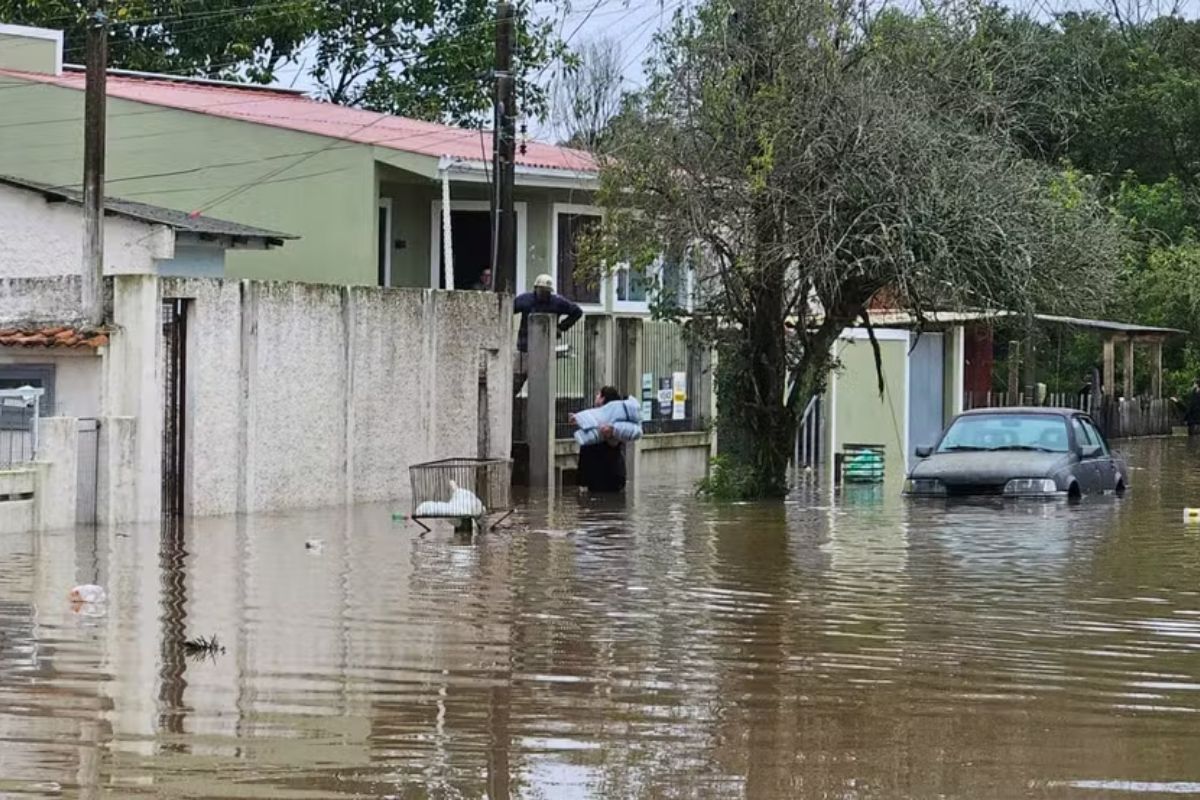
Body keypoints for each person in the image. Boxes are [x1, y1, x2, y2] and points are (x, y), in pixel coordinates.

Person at [512, 273, 583, 395]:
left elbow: (577, 312)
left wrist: (561, 328)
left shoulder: (557, 302)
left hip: (545, 348)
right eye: (542, 290)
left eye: (546, 291)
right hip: (524, 348)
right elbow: (508, 309)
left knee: (540, 383)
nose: (544, 294)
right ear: (536, 289)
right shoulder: (525, 300)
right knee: (516, 381)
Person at [576, 386, 627, 493]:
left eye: (598, 394)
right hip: (593, 474)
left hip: (606, 475)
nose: (596, 396)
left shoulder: (614, 420)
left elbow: (615, 442)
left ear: (603, 399)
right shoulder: (593, 416)